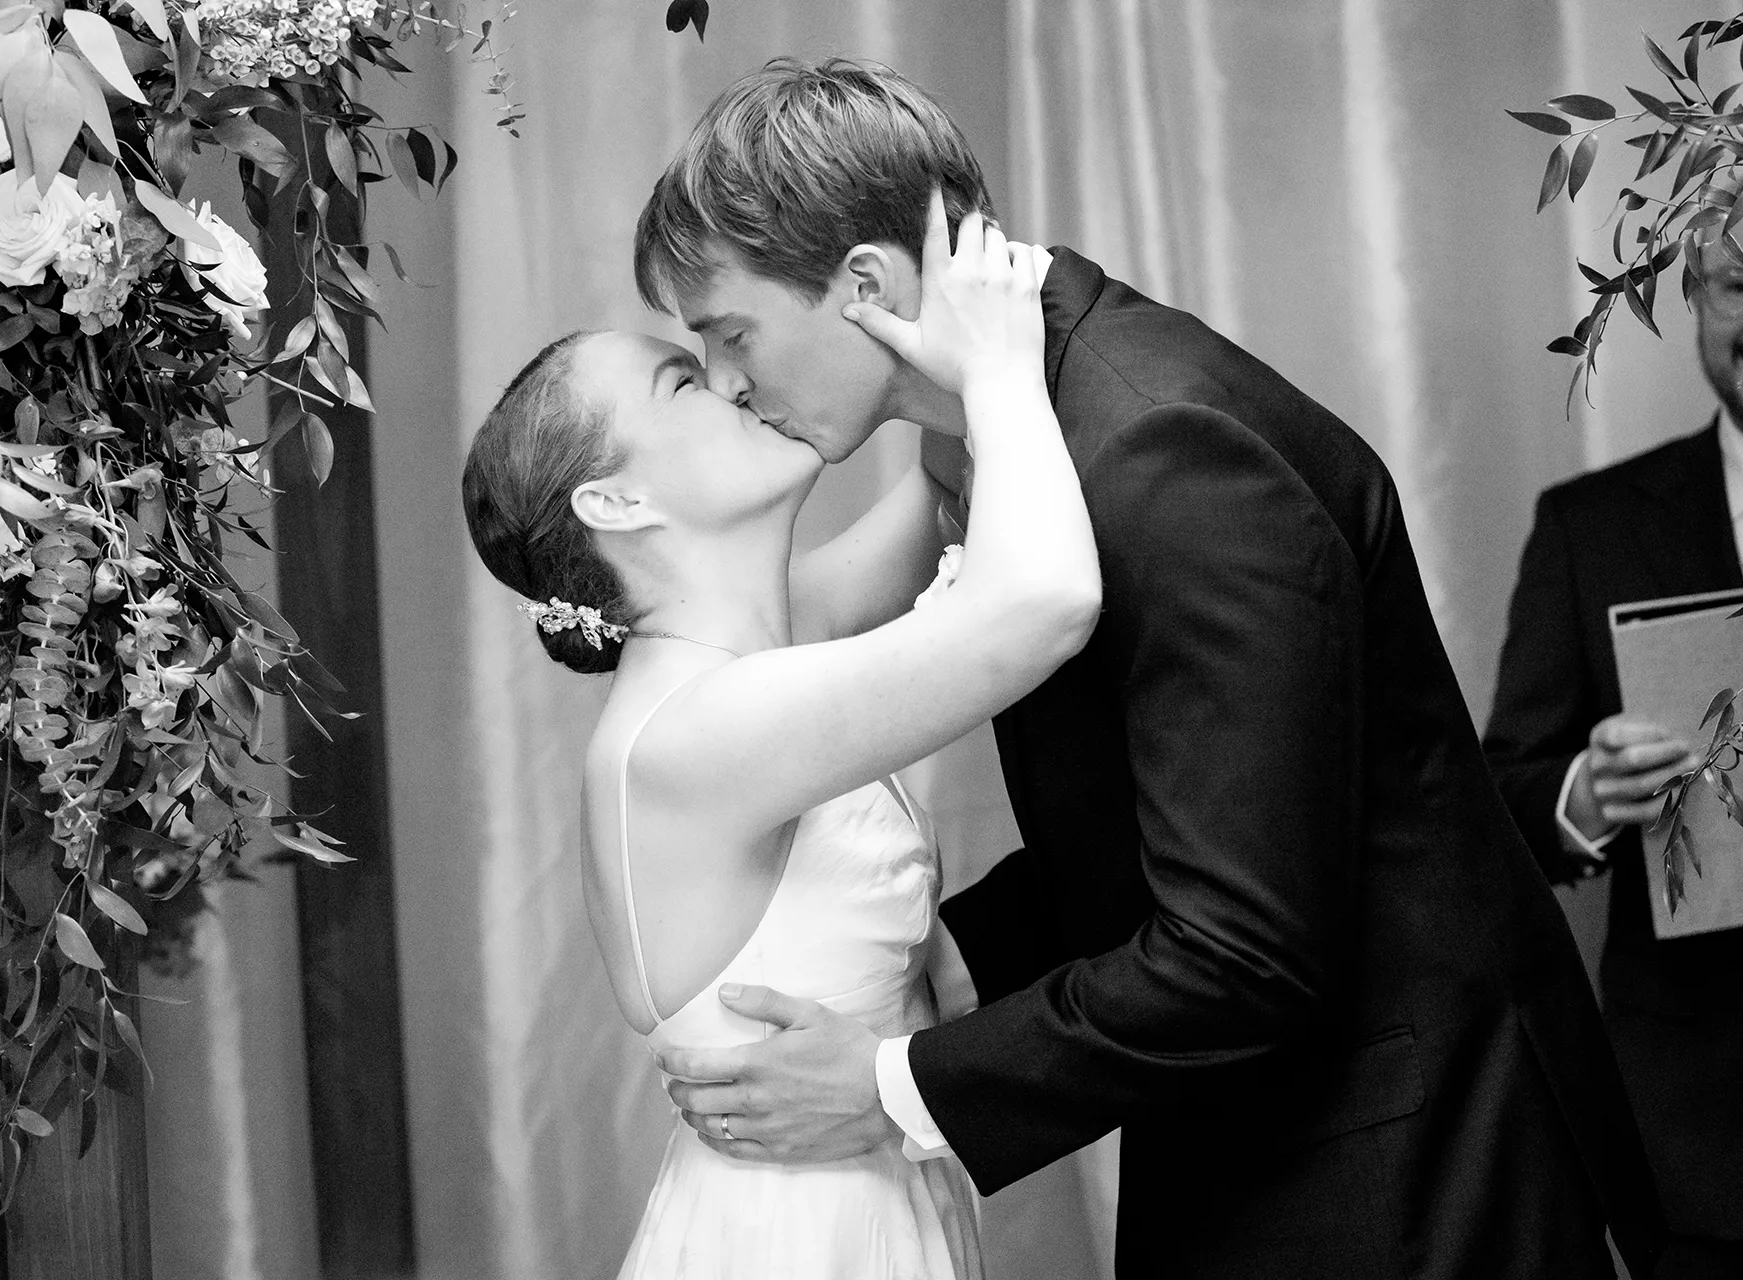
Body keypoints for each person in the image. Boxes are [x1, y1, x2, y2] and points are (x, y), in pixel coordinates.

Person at [634, 57, 1668, 1279]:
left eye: (729, 332)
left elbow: (1245, 946)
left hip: (1401, 1162)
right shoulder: (1016, 423)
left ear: (864, 282)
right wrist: (941, 965)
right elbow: (1175, 805)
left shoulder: (1165, 451)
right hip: (1289, 1123)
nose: (729, 384)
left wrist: (891, 1087)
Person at [463, 206, 1101, 1277]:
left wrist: (907, 313)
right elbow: (1042, 598)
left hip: (866, 1195)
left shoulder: (763, 641)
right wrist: (997, 366)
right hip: (796, 1238)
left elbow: (951, 470)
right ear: (615, 499)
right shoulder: (691, 737)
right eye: (679, 381)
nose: (727, 380)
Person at [1484, 237, 1743, 1279]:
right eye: (1742, 284)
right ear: (1698, 296)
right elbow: (1503, 799)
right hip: (1701, 1142)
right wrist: (1583, 792)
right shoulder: (1591, 530)